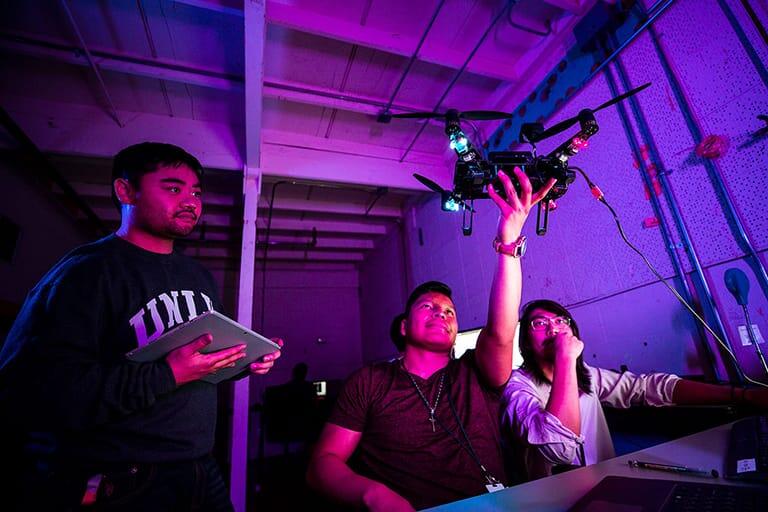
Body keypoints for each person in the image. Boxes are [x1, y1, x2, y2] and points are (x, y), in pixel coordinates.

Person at [0, 142, 283, 511]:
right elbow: (35, 391)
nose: (191, 202)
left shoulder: (198, 275)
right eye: (173, 188)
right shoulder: (85, 273)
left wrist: (244, 360)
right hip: (126, 479)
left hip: (201, 468)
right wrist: (168, 374)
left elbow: (201, 364)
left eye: (196, 192)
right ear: (126, 191)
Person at [307, 169, 556, 511]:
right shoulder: (369, 382)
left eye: (450, 311)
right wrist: (372, 494)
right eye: (428, 307)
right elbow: (323, 464)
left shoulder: (475, 372)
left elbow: (501, 332)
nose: (441, 313)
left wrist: (509, 242)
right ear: (404, 327)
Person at [502, 298, 768, 482]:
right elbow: (559, 450)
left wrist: (741, 395)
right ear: (525, 343)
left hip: (605, 485)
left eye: (561, 321)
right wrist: (565, 359)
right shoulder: (517, 387)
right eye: (539, 323)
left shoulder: (588, 376)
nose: (554, 328)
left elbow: (646, 387)